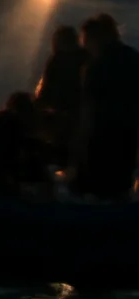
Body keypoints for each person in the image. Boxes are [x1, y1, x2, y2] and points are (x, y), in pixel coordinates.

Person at [71, 14, 139, 201]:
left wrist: (79, 144)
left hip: (101, 139)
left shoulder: (97, 66)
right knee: (119, 191)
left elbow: (89, 108)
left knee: (96, 193)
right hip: (127, 136)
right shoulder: (133, 58)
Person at [34, 25, 86, 166]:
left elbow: (46, 89)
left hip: (70, 114)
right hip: (70, 113)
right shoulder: (60, 60)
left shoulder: (60, 60)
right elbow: (46, 88)